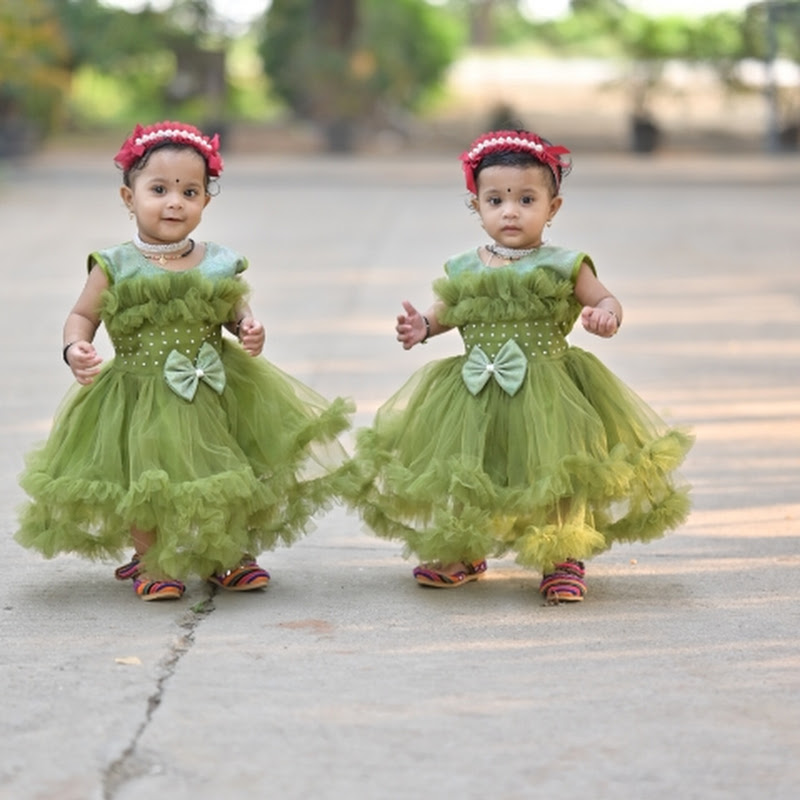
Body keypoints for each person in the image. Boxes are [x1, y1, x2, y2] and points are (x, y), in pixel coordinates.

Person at [350, 129, 693, 603]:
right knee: (467, 468)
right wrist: (423, 327)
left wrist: (606, 314)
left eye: (526, 199)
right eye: (496, 200)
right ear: (477, 206)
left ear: (553, 207)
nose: (510, 211)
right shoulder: (463, 268)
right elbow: (449, 310)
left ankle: (561, 555)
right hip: (474, 389)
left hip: (548, 386)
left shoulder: (566, 265)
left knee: (556, 470)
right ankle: (465, 549)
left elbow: (605, 297)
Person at [16, 120, 353, 601]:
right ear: (128, 198)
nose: (174, 201)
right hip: (139, 391)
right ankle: (153, 561)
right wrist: (76, 347)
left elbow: (237, 313)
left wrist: (249, 330)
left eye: (189, 191)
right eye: (158, 189)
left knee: (227, 472)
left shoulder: (219, 262)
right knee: (146, 480)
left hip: (214, 388)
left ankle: (228, 553)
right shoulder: (114, 264)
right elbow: (81, 315)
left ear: (205, 202)